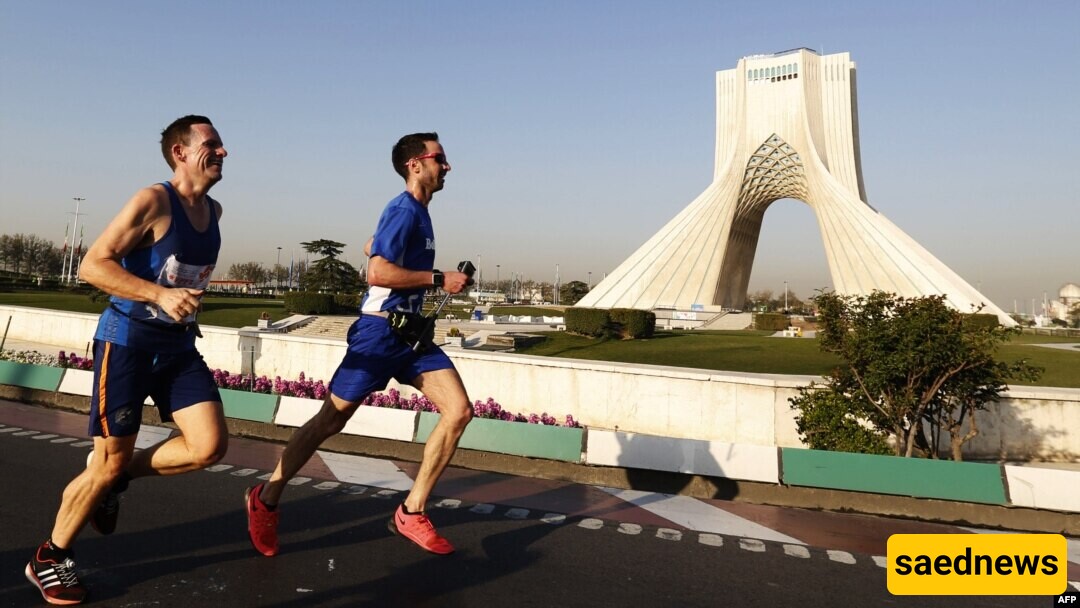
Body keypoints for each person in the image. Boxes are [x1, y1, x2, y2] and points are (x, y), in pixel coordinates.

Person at [25, 115, 229, 605]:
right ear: (180, 152)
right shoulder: (153, 200)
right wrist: (159, 294)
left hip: (177, 347)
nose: (223, 153)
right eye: (213, 144)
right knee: (106, 461)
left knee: (208, 446)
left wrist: (178, 300)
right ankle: (49, 557)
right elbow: (93, 265)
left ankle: (117, 480)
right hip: (128, 343)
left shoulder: (215, 210)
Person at [245, 132, 473, 557]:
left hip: (412, 334)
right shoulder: (403, 208)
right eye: (440, 158)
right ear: (415, 164)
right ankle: (265, 498)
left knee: (459, 411)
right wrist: (440, 278)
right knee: (329, 422)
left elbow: (375, 250)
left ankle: (412, 510)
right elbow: (377, 273)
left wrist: (379, 249)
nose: (448, 166)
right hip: (379, 333)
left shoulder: (418, 214)